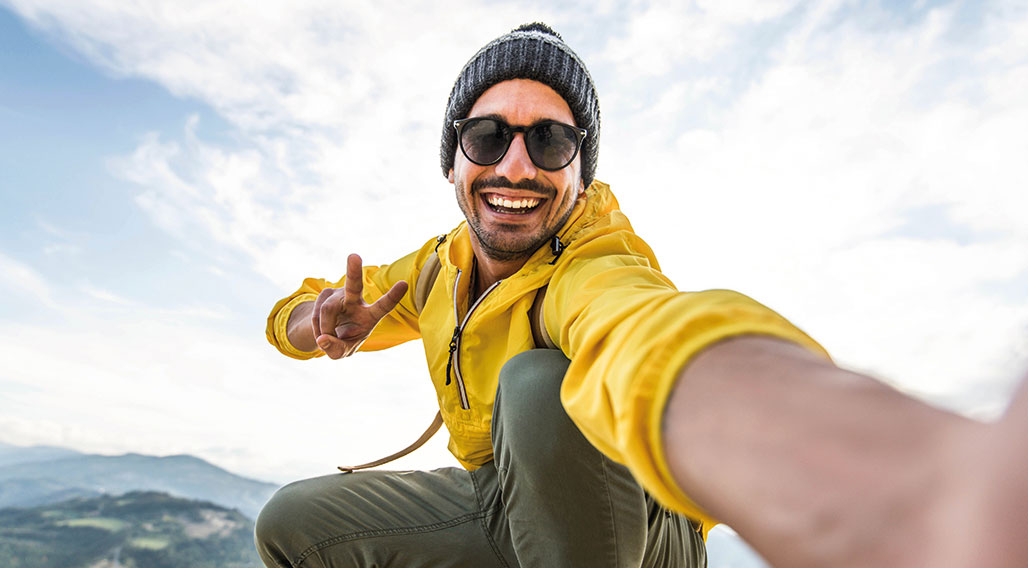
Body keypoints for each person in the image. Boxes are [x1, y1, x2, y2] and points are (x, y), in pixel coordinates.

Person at [257, 22, 1028, 568]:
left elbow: (645, 333)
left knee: (539, 385)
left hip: (632, 532)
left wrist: (899, 489)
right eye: (488, 137)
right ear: (453, 161)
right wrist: (320, 318)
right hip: (503, 502)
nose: (517, 167)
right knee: (294, 524)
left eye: (551, 142)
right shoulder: (429, 268)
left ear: (581, 171)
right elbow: (291, 317)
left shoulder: (592, 262)